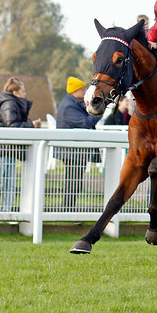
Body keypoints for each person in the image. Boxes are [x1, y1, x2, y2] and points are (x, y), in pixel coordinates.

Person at [0, 77, 41, 212]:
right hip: (0, 152)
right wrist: (32, 125)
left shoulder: (12, 104)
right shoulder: (9, 104)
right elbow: (12, 125)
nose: (25, 95)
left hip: (8, 151)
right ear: (15, 93)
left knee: (9, 185)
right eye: (23, 92)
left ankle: (6, 214)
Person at [55, 76, 102, 211]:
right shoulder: (69, 106)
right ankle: (67, 211)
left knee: (75, 183)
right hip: (72, 152)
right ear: (75, 92)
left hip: (75, 151)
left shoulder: (73, 103)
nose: (86, 91)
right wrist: (98, 112)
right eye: (83, 89)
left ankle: (68, 210)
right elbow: (85, 123)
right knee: (73, 183)